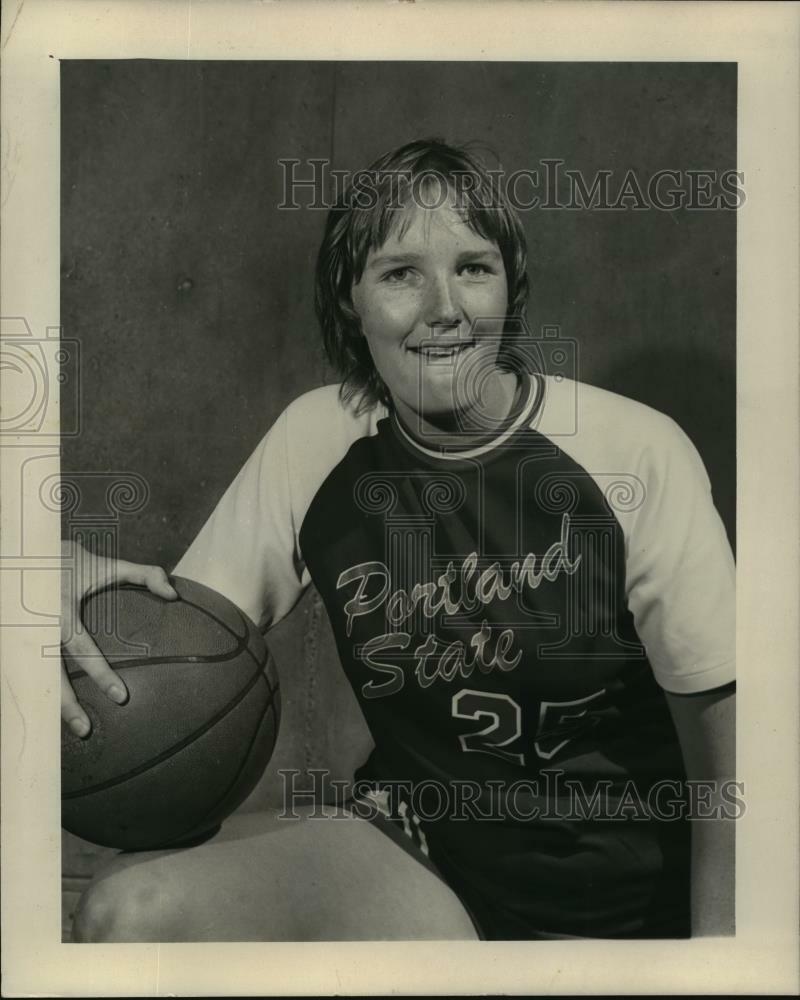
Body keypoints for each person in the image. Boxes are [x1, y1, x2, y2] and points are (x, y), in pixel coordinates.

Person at [62, 138, 736, 942]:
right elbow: (188, 658)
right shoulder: (319, 439)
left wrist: (720, 959)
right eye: (400, 272)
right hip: (427, 864)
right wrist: (54, 579)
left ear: (511, 286)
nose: (444, 307)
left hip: (621, 906)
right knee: (126, 912)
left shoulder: (633, 452)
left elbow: (732, 761)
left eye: (474, 267)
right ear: (351, 298)